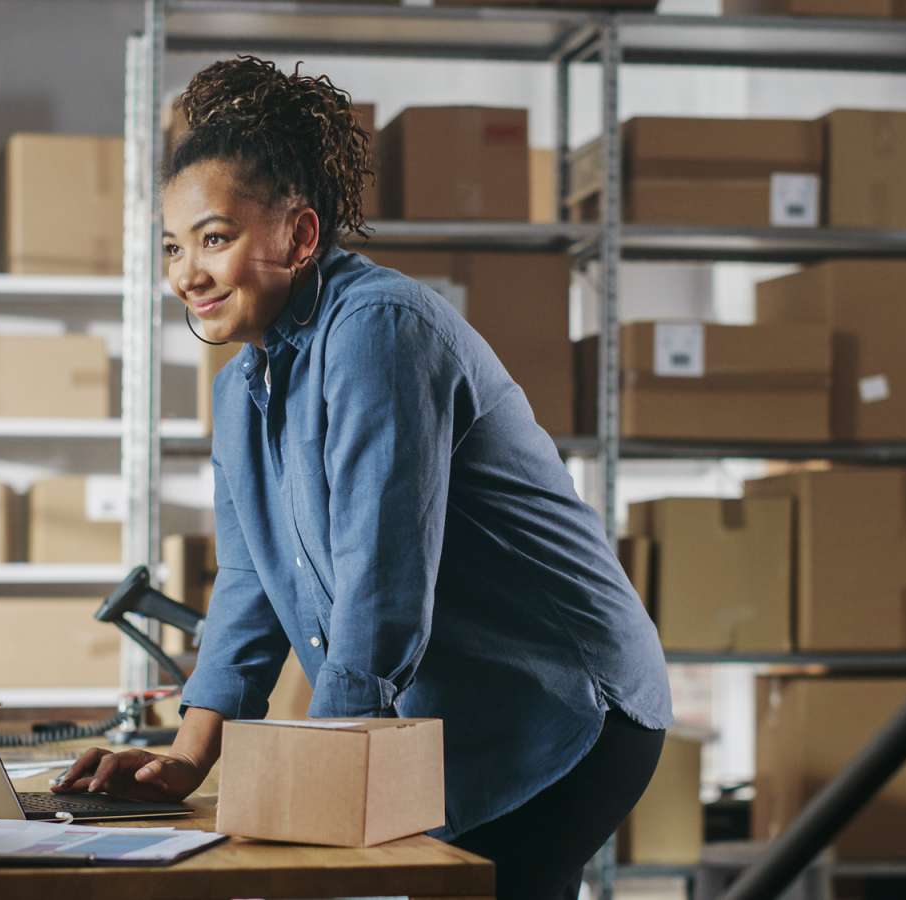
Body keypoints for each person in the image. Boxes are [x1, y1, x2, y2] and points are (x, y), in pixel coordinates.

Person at [54, 56, 672, 900]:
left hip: (565, 704)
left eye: (214, 238)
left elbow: (382, 586)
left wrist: (315, 775)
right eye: (172, 246)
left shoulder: (378, 330)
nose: (185, 274)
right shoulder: (243, 385)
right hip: (461, 714)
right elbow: (247, 583)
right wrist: (186, 758)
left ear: (300, 237)